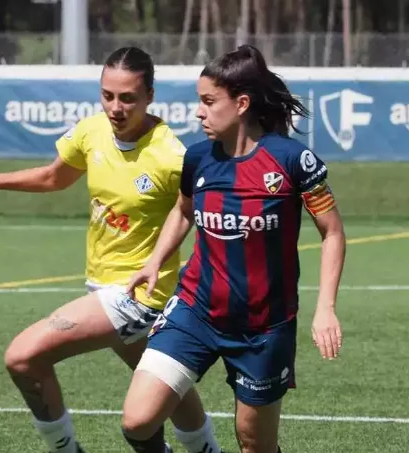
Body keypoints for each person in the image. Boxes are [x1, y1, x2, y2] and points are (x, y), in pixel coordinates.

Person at [0, 47, 224, 453]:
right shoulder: (91, 132)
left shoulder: (170, 155)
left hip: (138, 296)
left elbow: (199, 214)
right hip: (103, 287)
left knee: (22, 357)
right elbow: (55, 177)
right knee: (166, 386)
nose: (116, 107)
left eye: (128, 98)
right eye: (108, 95)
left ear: (150, 97)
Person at [120, 45, 347, 453]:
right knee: (138, 421)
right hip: (195, 311)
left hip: (264, 328)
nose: (199, 113)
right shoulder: (198, 158)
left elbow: (332, 233)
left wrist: (325, 307)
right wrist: (154, 261)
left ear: (242, 104)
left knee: (253, 442)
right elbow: (183, 211)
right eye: (198, 102)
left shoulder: (294, 161)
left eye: (208, 102)